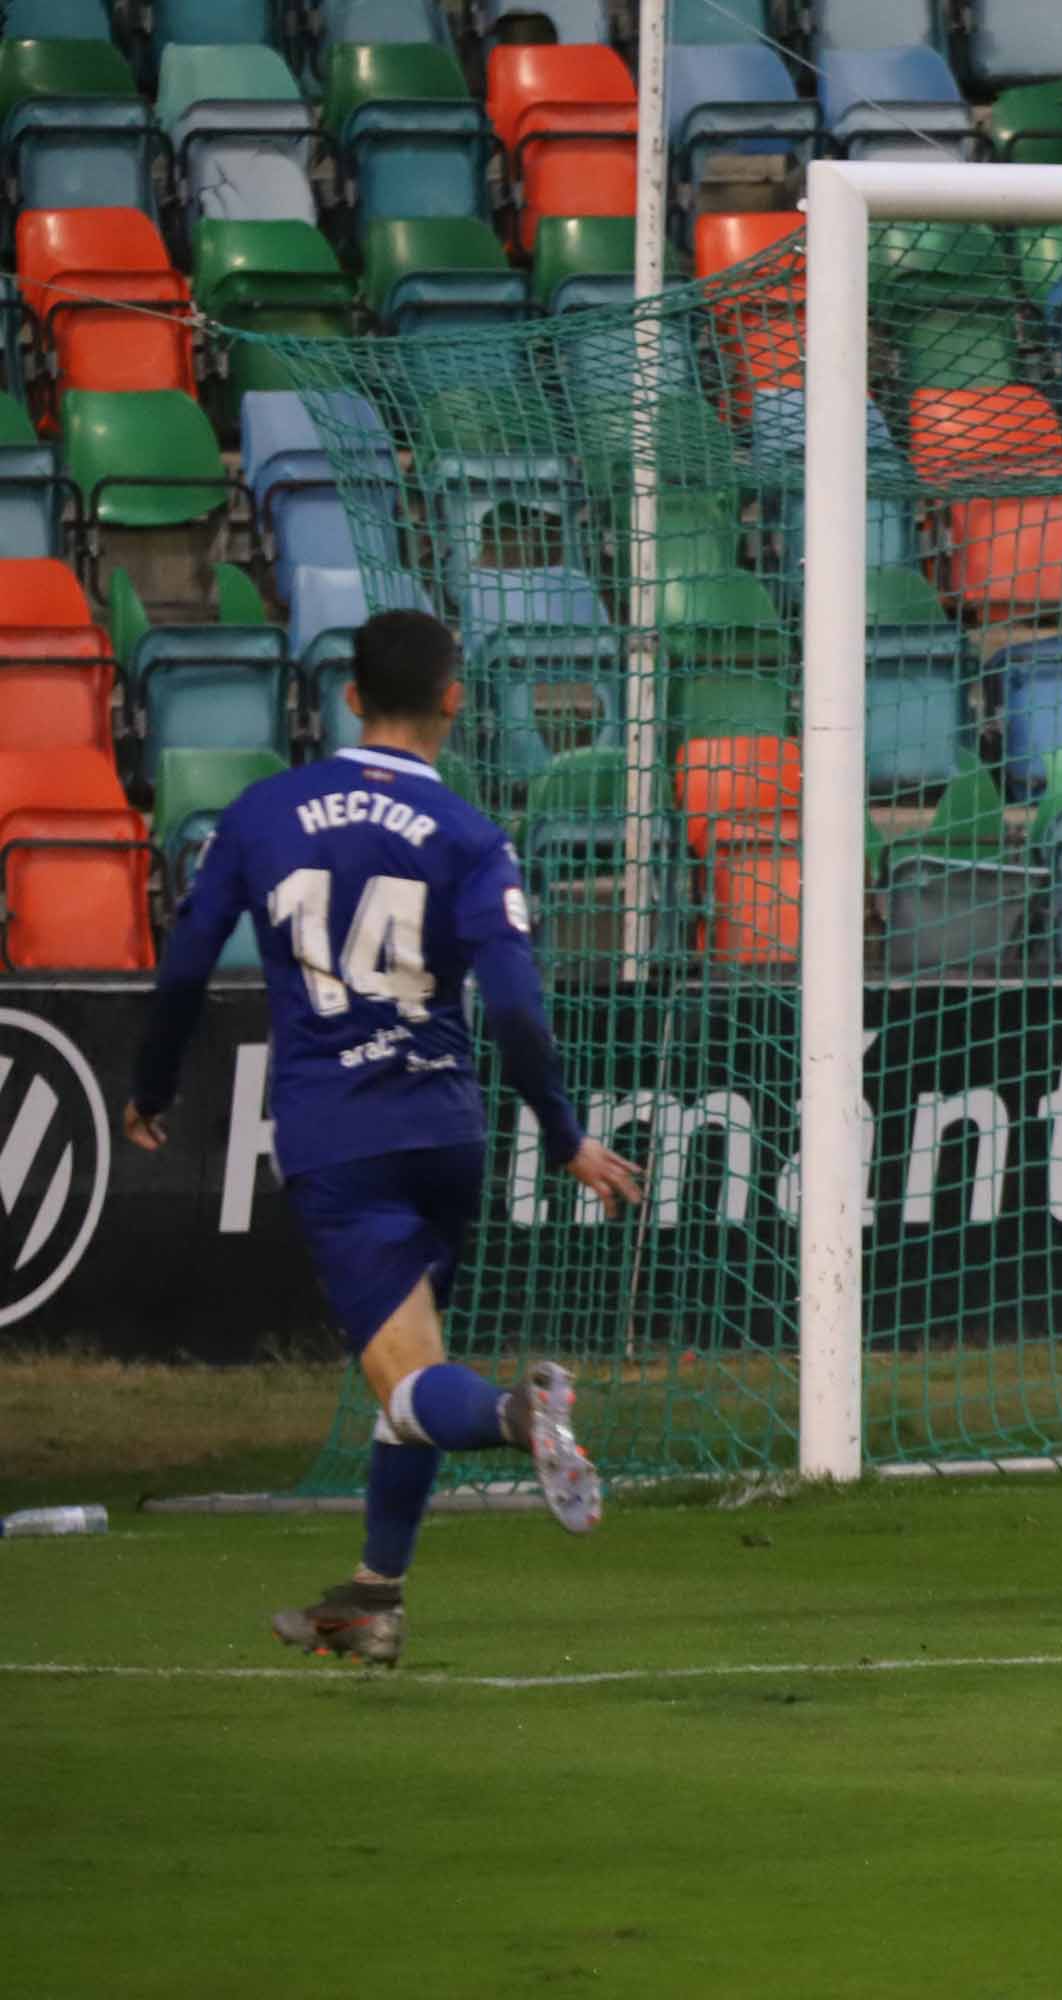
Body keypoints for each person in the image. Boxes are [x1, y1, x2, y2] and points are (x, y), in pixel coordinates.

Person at [125, 609, 644, 1669]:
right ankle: (375, 1595)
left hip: (338, 1131)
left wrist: (150, 1085)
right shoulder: (469, 835)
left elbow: (183, 961)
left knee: (409, 1383)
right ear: (456, 700)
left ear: (348, 696)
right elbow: (515, 1012)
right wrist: (565, 1133)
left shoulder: (265, 812)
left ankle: (517, 1413)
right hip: (447, 1128)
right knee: (409, 1373)